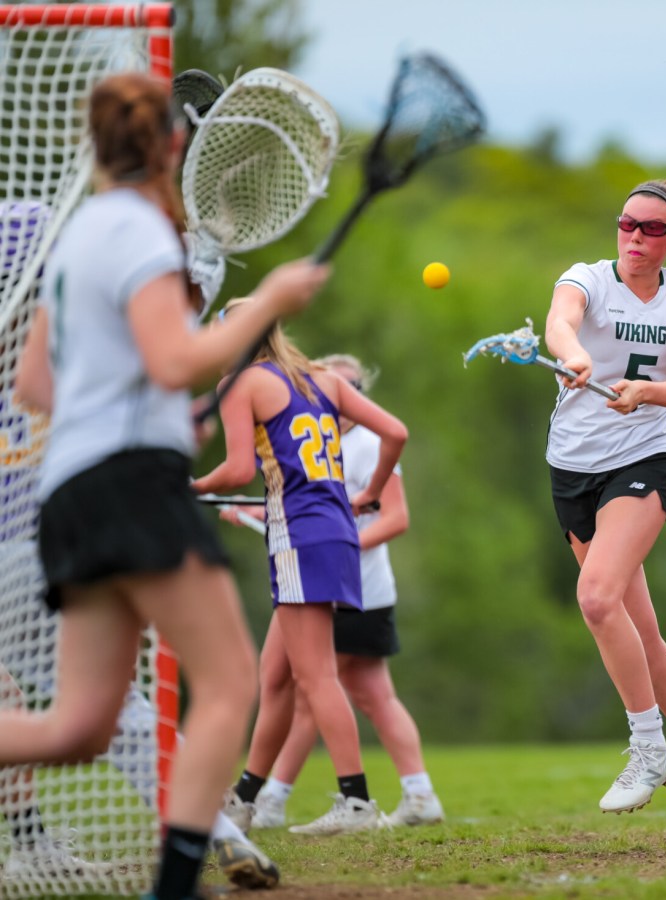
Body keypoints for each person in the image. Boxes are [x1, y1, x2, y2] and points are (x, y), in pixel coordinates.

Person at [8, 72, 327, 900]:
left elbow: (37, 382)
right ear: (175, 146)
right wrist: (268, 303)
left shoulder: (76, 235)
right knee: (228, 684)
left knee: (80, 726)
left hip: (70, 489)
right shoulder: (143, 231)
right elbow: (175, 358)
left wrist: (158, 412)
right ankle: (176, 886)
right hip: (129, 485)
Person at [544, 178, 666, 834]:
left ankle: (649, 749)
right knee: (640, 631)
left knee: (597, 599)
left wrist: (643, 391)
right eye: (627, 223)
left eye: (651, 228)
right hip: (572, 469)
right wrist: (574, 354)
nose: (634, 237)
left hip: (643, 461)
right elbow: (560, 322)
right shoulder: (587, 277)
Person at [191, 302, 408, 838]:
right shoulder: (322, 378)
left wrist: (188, 487)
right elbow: (396, 432)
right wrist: (371, 492)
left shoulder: (240, 383)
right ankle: (244, 799)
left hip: (299, 536)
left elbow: (237, 469)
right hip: (335, 531)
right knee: (276, 676)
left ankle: (355, 801)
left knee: (316, 678)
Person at [222, 353, 443, 830]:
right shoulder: (318, 439)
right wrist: (257, 511)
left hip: (346, 580)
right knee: (349, 690)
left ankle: (274, 799)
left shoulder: (364, 444)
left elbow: (394, 517)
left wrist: (333, 543)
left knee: (313, 689)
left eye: (348, 390)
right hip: (326, 570)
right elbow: (305, 498)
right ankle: (417, 794)